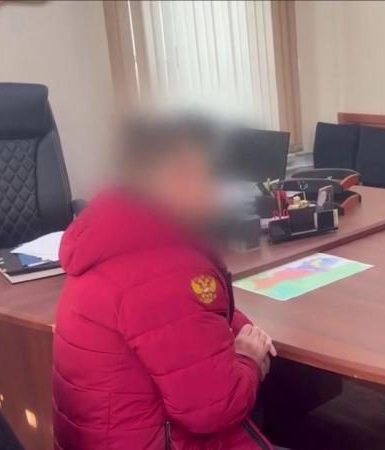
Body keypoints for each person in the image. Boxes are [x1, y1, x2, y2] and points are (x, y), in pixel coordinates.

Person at [52, 116, 276, 449]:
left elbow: (187, 318)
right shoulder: (164, 269)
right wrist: (249, 360)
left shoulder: (115, 233)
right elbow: (215, 409)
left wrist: (241, 328)